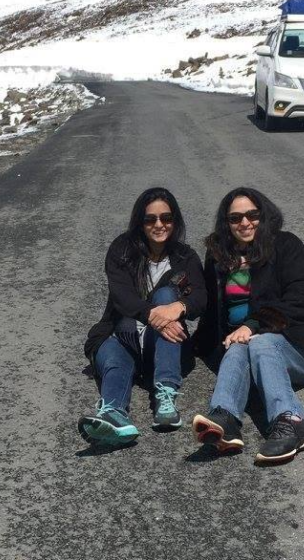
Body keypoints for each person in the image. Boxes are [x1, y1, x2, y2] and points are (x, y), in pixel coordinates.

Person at [191, 187, 304, 465]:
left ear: (263, 215)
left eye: (252, 215)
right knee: (236, 346)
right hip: (246, 347)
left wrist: (254, 324)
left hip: (297, 351)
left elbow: (303, 301)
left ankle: (292, 422)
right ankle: (225, 418)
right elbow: (210, 311)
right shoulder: (219, 256)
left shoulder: (286, 246)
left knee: (260, 341)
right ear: (226, 223)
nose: (244, 223)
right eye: (235, 218)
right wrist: (184, 348)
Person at [80, 188, 208, 446]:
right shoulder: (122, 250)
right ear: (140, 222)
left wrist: (178, 307)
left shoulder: (185, 257)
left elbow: (201, 297)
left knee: (166, 296)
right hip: (121, 335)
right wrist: (153, 316)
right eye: (150, 219)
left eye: (166, 218)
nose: (159, 225)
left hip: (162, 348)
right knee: (115, 361)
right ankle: (113, 415)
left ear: (175, 220)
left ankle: (165, 396)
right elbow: (122, 297)